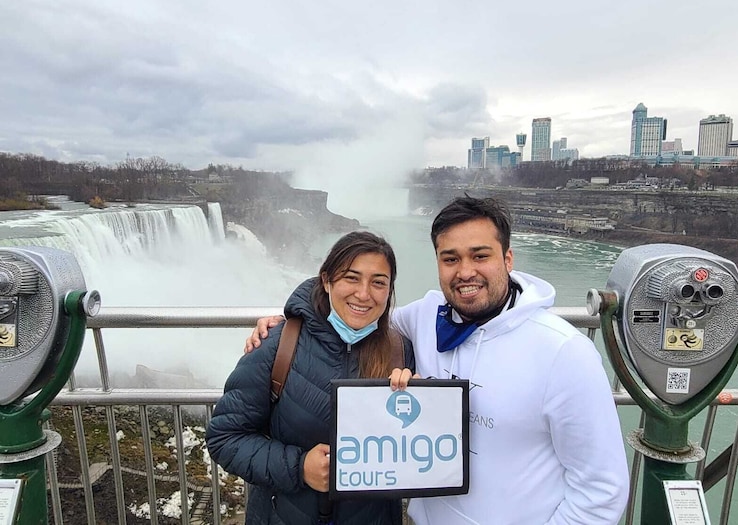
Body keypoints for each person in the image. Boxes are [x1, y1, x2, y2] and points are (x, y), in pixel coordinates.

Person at [248, 196, 630, 524]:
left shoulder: (564, 352)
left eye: (480, 256)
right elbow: (360, 315)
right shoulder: (425, 317)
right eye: (451, 258)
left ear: (508, 258)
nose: (465, 272)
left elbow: (602, 489)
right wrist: (292, 320)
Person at [207, 231, 415, 525]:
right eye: (351, 278)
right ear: (327, 280)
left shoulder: (400, 351)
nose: (364, 294)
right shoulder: (279, 346)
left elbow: (413, 444)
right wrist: (299, 467)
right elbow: (224, 438)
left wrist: (420, 400)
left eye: (378, 282)